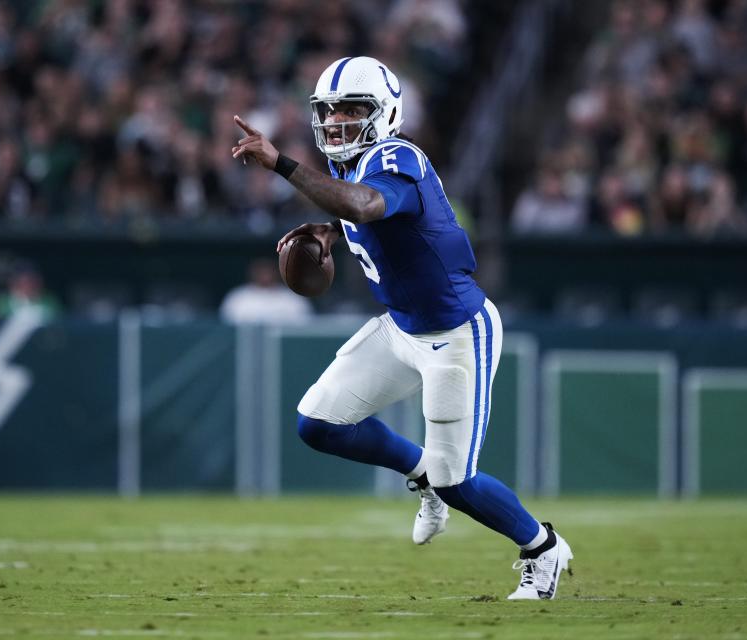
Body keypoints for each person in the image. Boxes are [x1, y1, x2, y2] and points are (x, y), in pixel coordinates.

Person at [232, 56, 573, 600]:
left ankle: (543, 548)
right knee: (319, 424)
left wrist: (281, 164)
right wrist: (330, 235)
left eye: (352, 109)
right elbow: (372, 218)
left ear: (386, 113)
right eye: (330, 111)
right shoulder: (348, 167)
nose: (339, 121)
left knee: (458, 481)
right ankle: (422, 478)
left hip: (457, 331)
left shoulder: (397, 155)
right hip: (402, 328)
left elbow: (369, 204)